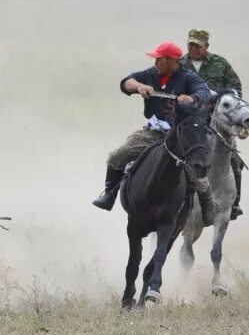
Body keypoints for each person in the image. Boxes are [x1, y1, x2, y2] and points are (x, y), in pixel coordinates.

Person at [91, 41, 218, 226]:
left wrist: (192, 98)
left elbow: (204, 92)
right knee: (117, 156)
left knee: (196, 167)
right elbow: (127, 82)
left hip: (181, 136)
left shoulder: (188, 77)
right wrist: (139, 87)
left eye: (159, 58)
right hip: (153, 133)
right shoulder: (151, 74)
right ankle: (109, 193)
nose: (155, 62)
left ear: (172, 60)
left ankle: (208, 203)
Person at [180, 29, 246, 220]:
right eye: (190, 44)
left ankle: (234, 203)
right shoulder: (180, 65)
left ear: (206, 46)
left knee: (234, 159)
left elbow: (236, 89)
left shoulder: (221, 64)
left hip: (217, 121)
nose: (192, 48)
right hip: (188, 121)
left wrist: (225, 103)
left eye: (197, 45)